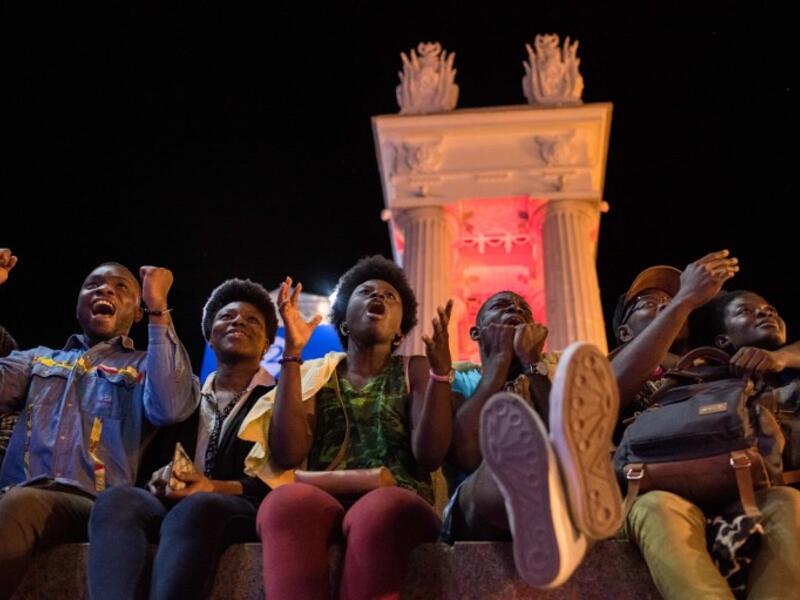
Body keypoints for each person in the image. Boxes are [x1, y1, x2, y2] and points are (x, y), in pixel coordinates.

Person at [239, 255, 453, 600]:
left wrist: (440, 375)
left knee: (378, 510)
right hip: (327, 499)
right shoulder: (318, 374)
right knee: (285, 503)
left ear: (400, 330)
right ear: (343, 323)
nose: (378, 296)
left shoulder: (413, 369)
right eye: (365, 292)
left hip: (398, 501)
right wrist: (292, 353)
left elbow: (429, 456)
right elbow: (288, 452)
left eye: (390, 295)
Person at [0, 248, 198, 595]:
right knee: (18, 503)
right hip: (17, 497)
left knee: (20, 504)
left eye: (121, 287)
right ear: (78, 304)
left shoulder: (143, 365)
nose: (105, 289)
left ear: (137, 311)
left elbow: (170, 407)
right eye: (93, 285)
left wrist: (158, 308)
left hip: (93, 506)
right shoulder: (38, 360)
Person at [87, 278, 278, 599]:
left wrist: (210, 486)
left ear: (267, 345)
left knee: (198, 507)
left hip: (240, 506)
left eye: (252, 320)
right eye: (227, 317)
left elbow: (279, 478)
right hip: (174, 503)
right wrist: (159, 479)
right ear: (210, 337)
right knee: (117, 500)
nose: (238, 322)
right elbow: (152, 460)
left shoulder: (278, 399)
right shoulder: (183, 395)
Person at [442, 290, 623, 589]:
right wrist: (499, 362)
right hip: (477, 506)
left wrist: (532, 363)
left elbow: (567, 440)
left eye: (523, 308)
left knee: (566, 449)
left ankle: (558, 514)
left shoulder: (549, 377)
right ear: (476, 332)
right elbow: (467, 455)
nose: (516, 309)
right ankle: (560, 510)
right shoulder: (459, 379)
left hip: (555, 490)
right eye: (502, 305)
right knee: (513, 462)